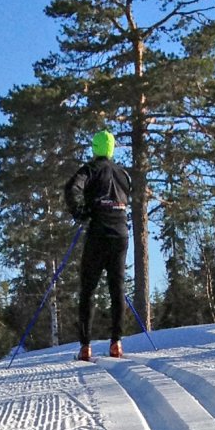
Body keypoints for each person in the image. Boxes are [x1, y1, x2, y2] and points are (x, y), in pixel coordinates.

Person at [64, 130, 132, 360]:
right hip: (121, 234)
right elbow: (127, 197)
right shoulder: (123, 173)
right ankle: (116, 343)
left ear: (95, 148)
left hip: (98, 233)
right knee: (117, 289)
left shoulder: (90, 169)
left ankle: (85, 347)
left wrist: (80, 213)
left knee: (88, 290)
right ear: (112, 148)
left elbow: (72, 188)